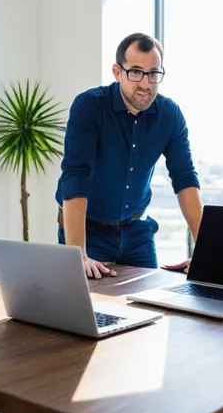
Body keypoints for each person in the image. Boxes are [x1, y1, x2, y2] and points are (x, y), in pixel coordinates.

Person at [56, 33, 201, 278]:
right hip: (89, 231)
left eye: (153, 73)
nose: (145, 83)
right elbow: (76, 175)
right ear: (117, 71)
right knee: (86, 310)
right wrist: (78, 253)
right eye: (135, 71)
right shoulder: (89, 106)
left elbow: (185, 178)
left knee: (150, 307)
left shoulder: (170, 114)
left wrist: (205, 251)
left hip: (137, 233)